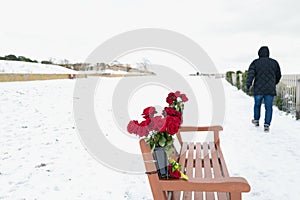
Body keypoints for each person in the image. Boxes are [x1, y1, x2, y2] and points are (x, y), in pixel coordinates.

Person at [246, 46, 282, 132]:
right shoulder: (274, 63)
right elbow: (278, 75)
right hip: (270, 89)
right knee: (268, 107)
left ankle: (256, 120)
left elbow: (250, 75)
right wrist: (274, 83)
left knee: (257, 105)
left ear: (259, 53)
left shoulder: (255, 63)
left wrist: (248, 85)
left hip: (258, 89)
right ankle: (267, 125)